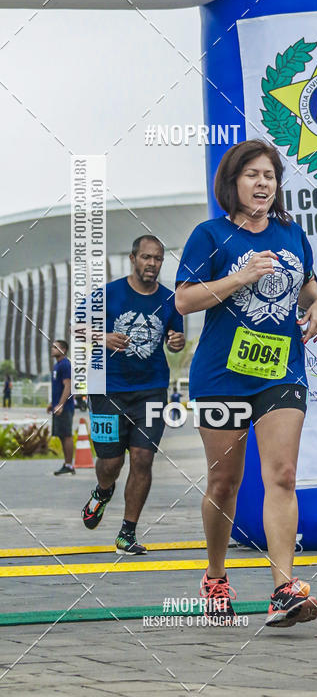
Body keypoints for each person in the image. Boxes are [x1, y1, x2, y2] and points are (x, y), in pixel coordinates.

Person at [175, 139, 317, 628]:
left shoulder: (290, 232)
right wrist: (238, 279)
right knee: (225, 481)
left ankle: (284, 588)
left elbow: (307, 285)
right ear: (232, 182)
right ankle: (216, 577)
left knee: (281, 474)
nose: (263, 183)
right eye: (252, 175)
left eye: (269, 175)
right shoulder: (210, 235)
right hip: (222, 375)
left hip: (282, 371)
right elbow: (183, 301)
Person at [81, 235, 185, 554]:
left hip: (151, 391)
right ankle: (102, 490)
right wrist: (103, 337)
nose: (151, 264)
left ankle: (127, 533)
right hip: (107, 390)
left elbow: (175, 337)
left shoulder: (170, 300)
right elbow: (77, 327)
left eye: (157, 259)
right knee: (110, 462)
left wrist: (175, 342)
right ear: (133, 258)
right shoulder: (109, 294)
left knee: (143, 458)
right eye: (146, 258)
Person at [47, 340, 75, 475]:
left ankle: (69, 465)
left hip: (65, 407)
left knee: (67, 435)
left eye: (55, 347)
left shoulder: (65, 365)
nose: (52, 349)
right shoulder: (57, 365)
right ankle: (66, 463)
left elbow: (68, 386)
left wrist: (61, 405)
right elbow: (58, 387)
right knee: (62, 436)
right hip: (58, 405)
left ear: (63, 349)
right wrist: (52, 404)